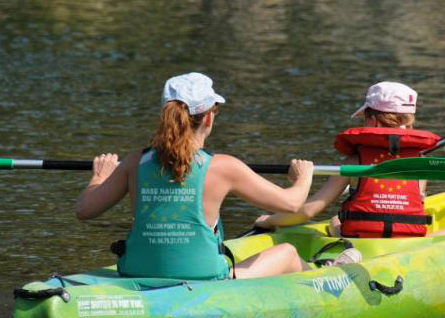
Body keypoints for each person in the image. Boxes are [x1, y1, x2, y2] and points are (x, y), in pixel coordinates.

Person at [75, 72, 314, 280]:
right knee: (288, 253)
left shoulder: (135, 161)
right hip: (204, 277)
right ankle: (324, 276)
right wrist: (303, 176)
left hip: (136, 271)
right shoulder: (224, 166)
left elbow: (84, 210)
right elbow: (292, 203)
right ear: (208, 118)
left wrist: (99, 177)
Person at [254, 81, 445, 239]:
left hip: (362, 240)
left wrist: (269, 220)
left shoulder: (354, 161)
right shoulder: (419, 163)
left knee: (335, 221)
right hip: (408, 242)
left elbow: (308, 211)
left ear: (372, 120)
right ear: (409, 122)